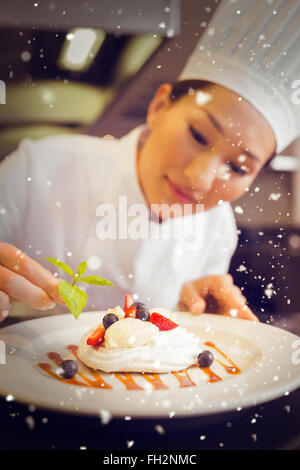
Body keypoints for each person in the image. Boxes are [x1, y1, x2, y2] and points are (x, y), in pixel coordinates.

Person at [0, 0, 299, 324]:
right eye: (198, 135)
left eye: (239, 168)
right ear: (158, 106)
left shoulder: (218, 227)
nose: (199, 179)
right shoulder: (37, 167)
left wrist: (199, 322)